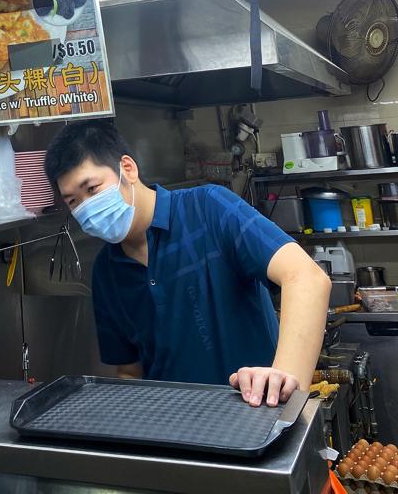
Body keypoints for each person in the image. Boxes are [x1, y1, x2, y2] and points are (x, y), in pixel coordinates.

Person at [44, 120, 331, 407]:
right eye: (73, 202)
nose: (87, 208)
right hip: (177, 435)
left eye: (92, 189)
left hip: (258, 417)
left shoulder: (209, 208)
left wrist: (282, 381)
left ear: (127, 169)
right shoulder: (107, 271)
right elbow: (129, 371)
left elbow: (306, 278)